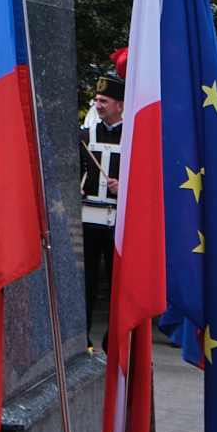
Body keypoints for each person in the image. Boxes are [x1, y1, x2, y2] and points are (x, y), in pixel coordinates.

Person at [80, 68, 125, 342]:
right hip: (87, 220)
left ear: (120, 105)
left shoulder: (135, 136)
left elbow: (150, 178)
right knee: (85, 282)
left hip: (119, 222)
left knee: (118, 284)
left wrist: (126, 186)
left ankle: (114, 340)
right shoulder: (84, 135)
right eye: (96, 100)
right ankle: (80, 341)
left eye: (103, 101)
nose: (98, 105)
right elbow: (66, 170)